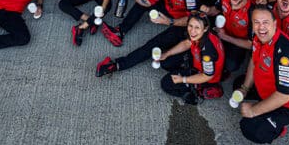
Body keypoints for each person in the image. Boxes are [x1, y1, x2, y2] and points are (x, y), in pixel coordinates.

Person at [96, 12, 224, 104]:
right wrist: (167, 54)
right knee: (165, 62)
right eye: (190, 26)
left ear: (205, 28)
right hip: (197, 63)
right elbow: (187, 43)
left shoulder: (207, 51)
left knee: (166, 84)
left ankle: (197, 92)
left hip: (205, 76)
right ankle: (186, 75)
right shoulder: (201, 35)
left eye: (197, 28)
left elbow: (207, 76)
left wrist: (183, 79)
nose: (192, 31)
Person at [234, 4, 289, 144]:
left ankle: (278, 128)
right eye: (256, 22)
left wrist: (254, 110)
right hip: (268, 89)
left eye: (265, 22)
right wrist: (244, 88)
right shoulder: (258, 37)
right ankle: (263, 106)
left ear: (274, 24)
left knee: (250, 128)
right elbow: (254, 61)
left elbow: (283, 96)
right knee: (238, 86)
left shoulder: (285, 55)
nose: (261, 27)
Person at [201, 0, 252, 74]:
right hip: (221, 31)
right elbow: (215, 10)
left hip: (238, 42)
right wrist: (207, 10)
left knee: (231, 65)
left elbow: (251, 45)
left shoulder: (252, 13)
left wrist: (225, 37)